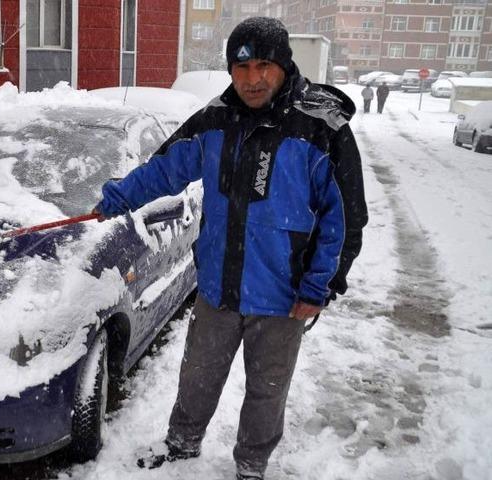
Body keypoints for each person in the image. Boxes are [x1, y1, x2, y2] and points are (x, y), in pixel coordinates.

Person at [92, 17, 367, 480]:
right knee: (197, 377)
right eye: (240, 69)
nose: (251, 79)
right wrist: (119, 197)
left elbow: (345, 219)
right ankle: (181, 445)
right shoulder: (216, 120)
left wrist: (319, 286)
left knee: (267, 390)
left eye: (263, 66)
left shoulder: (320, 129)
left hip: (284, 296)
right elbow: (165, 169)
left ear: (283, 66)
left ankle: (251, 466)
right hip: (218, 287)